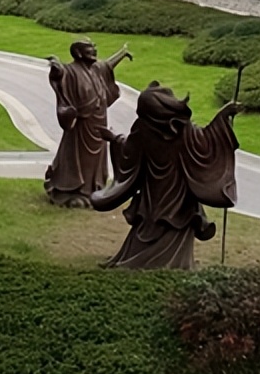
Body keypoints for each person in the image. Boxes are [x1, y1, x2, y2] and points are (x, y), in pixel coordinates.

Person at [92, 82, 241, 269]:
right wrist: (222, 118)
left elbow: (129, 152)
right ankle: (169, 264)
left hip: (154, 194)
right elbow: (206, 143)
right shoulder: (182, 129)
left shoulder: (144, 129)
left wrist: (114, 138)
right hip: (177, 194)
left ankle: (150, 261)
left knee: (152, 223)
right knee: (173, 221)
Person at [44, 40, 131, 207]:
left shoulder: (97, 69)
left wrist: (122, 53)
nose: (94, 51)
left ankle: (93, 188)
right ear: (78, 53)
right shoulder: (71, 71)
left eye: (94, 48)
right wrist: (56, 68)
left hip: (99, 121)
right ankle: (74, 191)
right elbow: (60, 75)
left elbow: (108, 66)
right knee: (77, 155)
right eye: (89, 49)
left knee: (97, 159)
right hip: (81, 125)